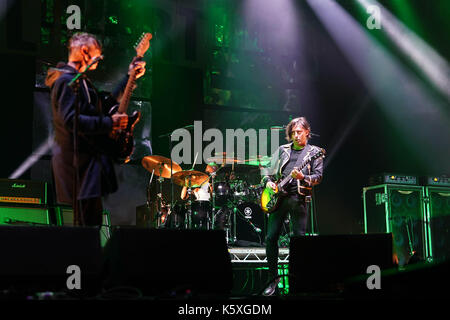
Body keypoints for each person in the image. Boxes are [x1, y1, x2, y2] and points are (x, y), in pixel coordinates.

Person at [45, 32, 146, 226]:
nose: (99, 60)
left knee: (91, 226)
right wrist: (110, 124)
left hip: (87, 168)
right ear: (84, 51)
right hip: (76, 167)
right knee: (85, 230)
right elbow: (70, 121)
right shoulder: (66, 81)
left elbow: (106, 104)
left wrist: (129, 77)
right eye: (97, 55)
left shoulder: (80, 82)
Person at [261, 117, 323, 295]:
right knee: (271, 238)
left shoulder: (315, 152)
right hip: (278, 199)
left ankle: (297, 279)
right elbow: (266, 168)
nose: (296, 135)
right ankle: (272, 280)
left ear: (307, 133)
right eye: (293, 132)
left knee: (298, 240)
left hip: (299, 199)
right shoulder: (282, 150)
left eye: (299, 132)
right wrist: (267, 182)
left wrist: (303, 178)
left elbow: (318, 177)